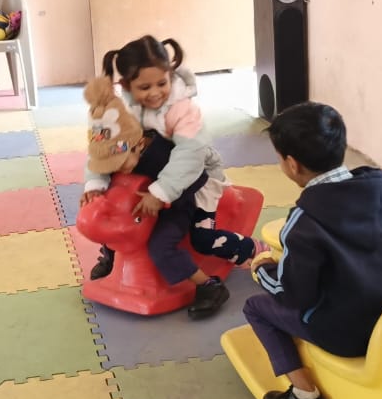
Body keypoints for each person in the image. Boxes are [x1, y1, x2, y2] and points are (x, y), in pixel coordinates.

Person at [244, 102, 382, 399]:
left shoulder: (304, 221)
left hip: (344, 334)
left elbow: (294, 296)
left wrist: (262, 269)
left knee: (255, 308)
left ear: (292, 164)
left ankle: (304, 397)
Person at [82, 36, 256, 318]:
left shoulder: (183, 110)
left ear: (170, 74)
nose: (155, 93)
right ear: (125, 85)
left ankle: (211, 284)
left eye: (161, 83)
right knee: (116, 218)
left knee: (176, 243)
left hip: (186, 186)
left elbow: (190, 155)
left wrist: (161, 193)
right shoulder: (116, 110)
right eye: (144, 87)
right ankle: (111, 255)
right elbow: (102, 149)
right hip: (141, 182)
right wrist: (95, 184)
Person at [85, 75, 258, 271]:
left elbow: (192, 177)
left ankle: (247, 248)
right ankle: (110, 257)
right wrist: (94, 187)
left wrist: (163, 199)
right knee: (113, 212)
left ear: (139, 145)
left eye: (118, 163)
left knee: (202, 239)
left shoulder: (164, 151)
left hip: (199, 179)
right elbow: (95, 163)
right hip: (158, 182)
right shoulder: (113, 135)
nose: (114, 168)